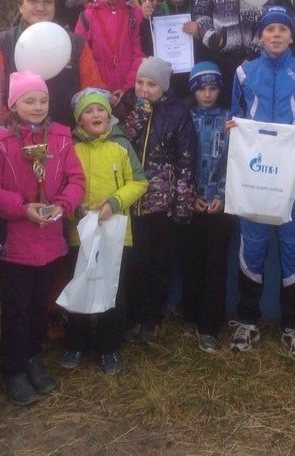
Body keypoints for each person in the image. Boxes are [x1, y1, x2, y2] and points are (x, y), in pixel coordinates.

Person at [0, 72, 84, 406]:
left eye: (43, 100)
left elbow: (75, 177)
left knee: (40, 305)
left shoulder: (62, 137)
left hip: (50, 238)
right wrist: (23, 209)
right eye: (29, 100)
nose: (37, 107)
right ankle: (12, 368)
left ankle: (33, 356)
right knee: (17, 308)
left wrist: (63, 204)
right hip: (16, 242)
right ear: (13, 104)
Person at [227, 6, 295, 360]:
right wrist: (230, 125)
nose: (277, 35)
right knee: (251, 245)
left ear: (291, 36)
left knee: (291, 246)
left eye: (283, 29)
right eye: (270, 30)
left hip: (291, 175)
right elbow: (232, 111)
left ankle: (292, 326)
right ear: (261, 36)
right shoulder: (243, 71)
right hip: (253, 175)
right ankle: (247, 320)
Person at [61, 89, 147, 374]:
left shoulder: (121, 145)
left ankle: (109, 347)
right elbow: (62, 185)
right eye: (88, 111)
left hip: (114, 234)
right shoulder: (70, 148)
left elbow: (139, 182)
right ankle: (76, 343)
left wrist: (114, 202)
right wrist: (74, 208)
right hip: (79, 232)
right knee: (80, 286)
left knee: (112, 291)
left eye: (101, 110)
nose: (96, 115)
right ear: (78, 120)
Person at [113, 57, 197, 344]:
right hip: (131, 199)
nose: (144, 89)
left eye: (151, 84)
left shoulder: (178, 113)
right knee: (134, 260)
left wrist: (183, 201)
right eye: (140, 82)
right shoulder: (128, 106)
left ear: (164, 86)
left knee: (159, 261)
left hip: (162, 201)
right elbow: (121, 139)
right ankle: (133, 315)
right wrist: (139, 111)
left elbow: (187, 159)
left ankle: (153, 317)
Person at [0, 0, 104, 128]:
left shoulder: (75, 43)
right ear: (20, 5)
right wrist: (9, 132)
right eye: (33, 1)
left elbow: (91, 90)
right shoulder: (0, 44)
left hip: (67, 137)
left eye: (47, 1)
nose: (41, 7)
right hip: (15, 139)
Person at [179, 63, 231, 353]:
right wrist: (189, 195)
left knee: (216, 264)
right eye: (202, 89)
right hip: (191, 202)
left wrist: (221, 194)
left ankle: (210, 326)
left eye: (213, 88)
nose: (207, 94)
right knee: (191, 260)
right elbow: (179, 159)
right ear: (193, 91)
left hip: (219, 205)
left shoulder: (229, 119)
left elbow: (234, 160)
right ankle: (190, 315)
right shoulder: (184, 118)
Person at [74, 0, 143, 106]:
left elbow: (139, 53)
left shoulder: (135, 12)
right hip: (97, 94)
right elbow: (83, 58)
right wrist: (100, 90)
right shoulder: (86, 16)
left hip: (130, 92)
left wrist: (127, 87)